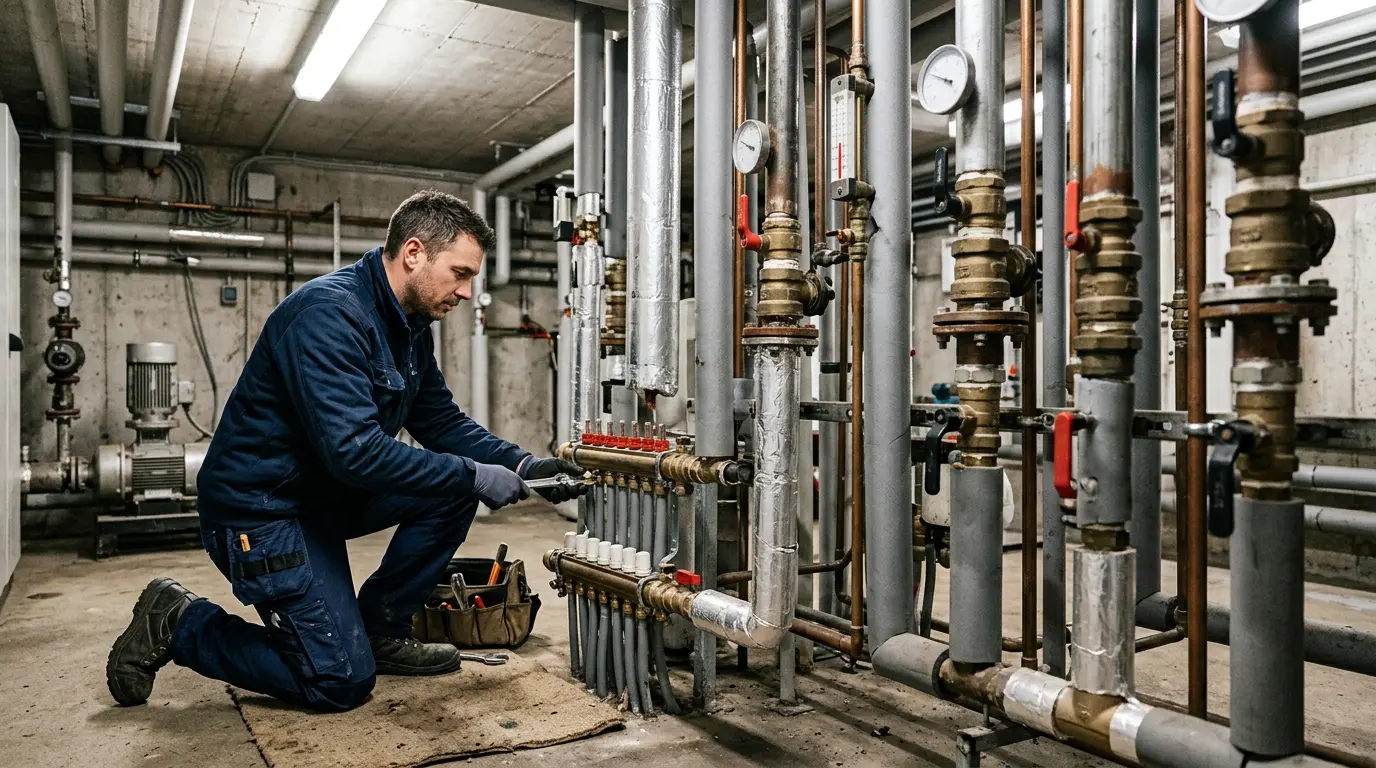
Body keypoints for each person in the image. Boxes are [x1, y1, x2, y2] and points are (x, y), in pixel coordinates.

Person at [105, 190, 586, 712]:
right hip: (263, 511)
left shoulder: (408, 330)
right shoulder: (328, 316)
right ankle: (179, 621)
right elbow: (356, 453)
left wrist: (524, 465)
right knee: (338, 682)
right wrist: (472, 473)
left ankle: (381, 629)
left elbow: (439, 420)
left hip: (323, 496)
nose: (468, 292)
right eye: (461, 273)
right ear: (414, 253)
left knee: (448, 491)